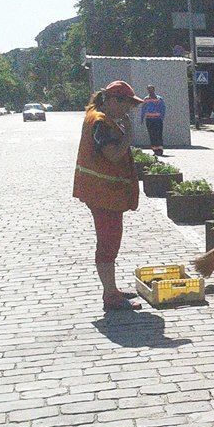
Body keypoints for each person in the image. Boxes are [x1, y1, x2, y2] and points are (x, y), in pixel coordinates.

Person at [73, 81, 143, 311]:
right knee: (108, 243)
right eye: (128, 104)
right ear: (113, 100)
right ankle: (110, 296)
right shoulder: (101, 122)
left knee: (110, 242)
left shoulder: (100, 118)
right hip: (104, 195)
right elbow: (112, 155)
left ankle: (111, 289)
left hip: (104, 193)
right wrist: (129, 135)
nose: (129, 110)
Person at [139, 85, 166, 156]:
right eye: (148, 89)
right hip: (149, 120)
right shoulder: (146, 99)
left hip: (157, 120)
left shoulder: (159, 99)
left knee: (158, 134)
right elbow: (143, 109)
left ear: (154, 90)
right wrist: (142, 118)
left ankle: (160, 150)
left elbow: (163, 108)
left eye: (151, 89)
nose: (150, 91)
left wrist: (161, 118)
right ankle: (155, 150)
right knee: (152, 135)